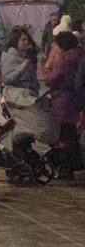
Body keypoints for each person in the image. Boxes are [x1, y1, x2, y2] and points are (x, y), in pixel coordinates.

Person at [45, 32, 84, 179]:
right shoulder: (80, 54)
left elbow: (52, 78)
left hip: (63, 99)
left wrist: (49, 74)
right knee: (72, 132)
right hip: (75, 99)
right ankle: (74, 163)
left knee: (65, 133)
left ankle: (66, 167)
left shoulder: (67, 59)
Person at [0, 27, 40, 96]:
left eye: (27, 39)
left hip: (28, 95)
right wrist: (23, 66)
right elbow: (7, 79)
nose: (26, 42)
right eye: (23, 40)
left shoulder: (25, 54)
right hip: (17, 97)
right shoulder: (10, 56)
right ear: (15, 41)